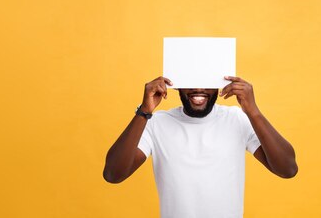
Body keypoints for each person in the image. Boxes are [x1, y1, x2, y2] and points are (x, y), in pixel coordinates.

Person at [103, 76, 298, 218]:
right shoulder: (157, 123)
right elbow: (113, 174)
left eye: (206, 80)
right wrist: (144, 111)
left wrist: (252, 111)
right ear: (176, 85)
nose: (198, 88)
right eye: (190, 80)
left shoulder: (236, 119)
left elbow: (287, 169)